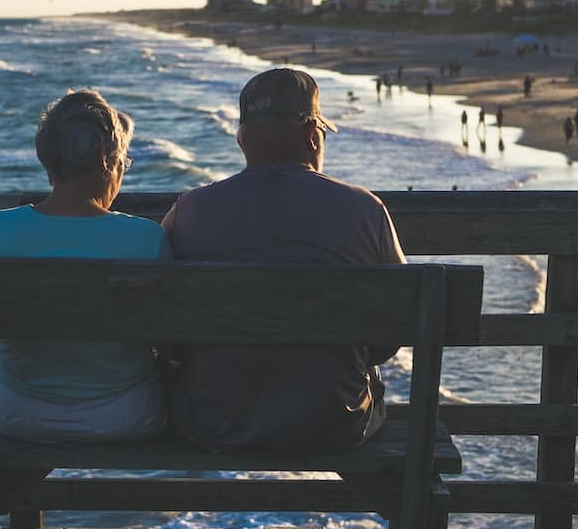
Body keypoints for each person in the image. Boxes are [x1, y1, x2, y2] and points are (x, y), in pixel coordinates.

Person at [162, 68, 406, 454]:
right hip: (336, 424)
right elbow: (397, 324)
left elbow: (165, 329)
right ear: (312, 136)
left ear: (243, 141)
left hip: (215, 423)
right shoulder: (365, 209)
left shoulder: (189, 210)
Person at [0, 89, 169, 442]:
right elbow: (169, 338)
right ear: (106, 160)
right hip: (123, 416)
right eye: (123, 161)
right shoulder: (145, 238)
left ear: (48, 160)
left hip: (16, 414)